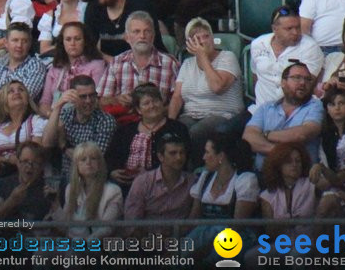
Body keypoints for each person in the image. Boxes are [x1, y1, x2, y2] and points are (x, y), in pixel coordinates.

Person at [168, 17, 244, 155]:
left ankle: (197, 170)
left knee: (196, 132)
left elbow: (217, 87)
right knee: (176, 131)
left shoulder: (227, 57)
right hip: (191, 114)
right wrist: (169, 123)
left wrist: (202, 57)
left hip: (222, 114)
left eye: (206, 36)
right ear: (189, 43)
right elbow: (177, 97)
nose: (203, 41)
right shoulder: (187, 64)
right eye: (197, 38)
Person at [185, 134, 259, 264]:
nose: (203, 157)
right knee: (183, 252)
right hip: (204, 233)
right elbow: (194, 218)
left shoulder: (245, 180)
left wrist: (208, 248)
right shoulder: (205, 177)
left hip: (234, 236)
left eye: (207, 152)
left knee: (215, 257)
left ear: (221, 156)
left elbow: (238, 226)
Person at [105, 83, 188, 188]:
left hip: (160, 184)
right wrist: (112, 172)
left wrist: (150, 173)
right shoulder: (125, 130)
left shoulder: (177, 129)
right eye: (146, 103)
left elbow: (180, 161)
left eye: (156, 101)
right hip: (125, 183)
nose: (152, 106)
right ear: (139, 109)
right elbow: (110, 156)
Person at [244, 61, 324, 170]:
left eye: (307, 79)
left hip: (301, 178)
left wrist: (266, 135)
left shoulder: (315, 105)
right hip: (264, 176)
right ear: (283, 82)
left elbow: (301, 135)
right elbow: (248, 138)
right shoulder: (266, 108)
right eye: (297, 77)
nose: (302, 83)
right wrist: (278, 152)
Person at [98, 12, 179, 113]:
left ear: (153, 36)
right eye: (136, 32)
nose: (142, 36)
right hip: (124, 123)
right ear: (127, 37)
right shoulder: (116, 63)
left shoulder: (170, 63)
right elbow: (102, 100)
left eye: (147, 31)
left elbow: (178, 102)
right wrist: (117, 99)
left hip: (159, 123)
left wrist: (156, 112)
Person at [250, 4, 325, 110]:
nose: (295, 32)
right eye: (289, 29)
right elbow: (255, 76)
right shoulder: (258, 44)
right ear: (274, 29)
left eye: (298, 27)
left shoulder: (310, 47)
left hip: (296, 109)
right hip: (260, 109)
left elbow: (305, 86)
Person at [41, 75, 116, 179]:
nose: (89, 101)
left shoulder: (105, 120)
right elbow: (46, 143)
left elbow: (90, 160)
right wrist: (58, 106)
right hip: (66, 177)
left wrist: (64, 146)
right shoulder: (65, 114)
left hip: (92, 180)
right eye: (83, 97)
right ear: (72, 98)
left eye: (92, 95)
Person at [122, 133, 193, 234]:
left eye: (182, 153)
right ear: (160, 156)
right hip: (146, 242)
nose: (179, 157)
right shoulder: (143, 182)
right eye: (173, 153)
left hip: (180, 241)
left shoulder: (192, 181)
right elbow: (132, 223)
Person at [82, 0, 158, 56]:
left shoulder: (141, 6)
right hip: (105, 65)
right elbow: (89, 47)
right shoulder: (93, 8)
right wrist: (112, 62)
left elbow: (152, 44)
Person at [56, 142, 122, 239]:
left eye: (93, 158)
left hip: (95, 245)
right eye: (83, 159)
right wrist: (55, 206)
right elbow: (64, 226)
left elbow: (107, 228)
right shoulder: (70, 189)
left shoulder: (113, 191)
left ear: (100, 163)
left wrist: (85, 243)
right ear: (76, 166)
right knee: (43, 251)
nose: (88, 162)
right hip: (71, 242)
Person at [39, 22, 107, 116]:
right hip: (54, 119)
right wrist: (51, 115)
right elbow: (45, 102)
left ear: (85, 41)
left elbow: (97, 100)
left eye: (77, 39)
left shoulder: (97, 65)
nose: (72, 43)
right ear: (62, 42)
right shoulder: (55, 68)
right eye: (68, 39)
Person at [0, 23, 47, 109]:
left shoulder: (36, 67)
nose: (19, 45)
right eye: (15, 40)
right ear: (6, 43)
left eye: (24, 41)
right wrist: (11, 92)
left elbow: (22, 99)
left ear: (30, 44)